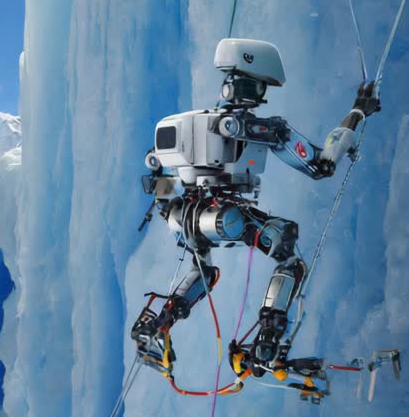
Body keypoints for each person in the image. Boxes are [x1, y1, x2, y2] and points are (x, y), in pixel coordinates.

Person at [130, 38, 380, 374]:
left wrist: (169, 205)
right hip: (224, 216)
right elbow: (321, 165)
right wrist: (357, 112)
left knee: (203, 271)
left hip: (182, 214)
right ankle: (267, 341)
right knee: (288, 253)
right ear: (256, 83)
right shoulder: (259, 127)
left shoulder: (190, 122)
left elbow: (161, 179)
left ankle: (158, 325)